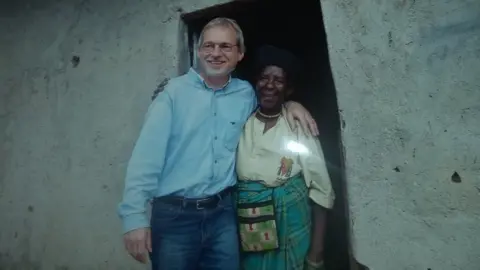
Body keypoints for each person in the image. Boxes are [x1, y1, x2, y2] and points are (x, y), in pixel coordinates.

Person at [117, 18, 319, 270]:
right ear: (199, 51)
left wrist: (292, 104)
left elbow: (270, 105)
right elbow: (145, 159)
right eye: (209, 46)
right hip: (175, 218)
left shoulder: (245, 94)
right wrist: (134, 218)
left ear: (239, 54)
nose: (215, 53)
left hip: (223, 213)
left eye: (225, 46)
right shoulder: (173, 94)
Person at [235, 45, 334, 270]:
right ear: (255, 84)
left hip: (292, 226)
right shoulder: (241, 123)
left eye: (278, 80)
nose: (269, 85)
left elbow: (321, 189)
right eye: (264, 78)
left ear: (288, 89)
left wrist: (317, 253)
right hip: (250, 229)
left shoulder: (298, 125)